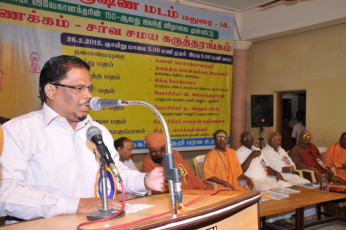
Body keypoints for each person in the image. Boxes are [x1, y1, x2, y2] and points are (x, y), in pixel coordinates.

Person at [0, 55, 165, 221]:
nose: (89, 95)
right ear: (51, 91)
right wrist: (76, 205)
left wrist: (144, 180)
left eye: (89, 88)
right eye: (79, 88)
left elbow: (115, 173)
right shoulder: (18, 131)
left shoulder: (97, 131)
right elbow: (5, 194)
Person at [142, 132, 212, 190]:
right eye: (151, 151)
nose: (153, 154)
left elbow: (187, 173)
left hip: (187, 189)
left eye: (156, 151)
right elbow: (156, 186)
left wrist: (198, 186)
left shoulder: (174, 154)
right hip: (166, 194)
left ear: (164, 149)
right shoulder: (147, 162)